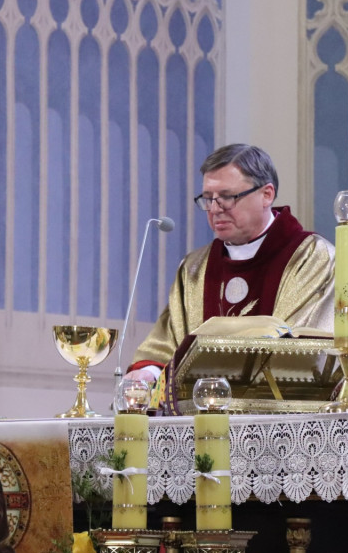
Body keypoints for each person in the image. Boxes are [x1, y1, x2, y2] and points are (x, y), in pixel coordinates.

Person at [125, 143, 335, 384]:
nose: (214, 209)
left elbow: (300, 351)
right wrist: (147, 374)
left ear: (266, 194)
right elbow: (166, 346)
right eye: (207, 199)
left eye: (227, 197)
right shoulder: (194, 268)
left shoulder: (311, 257)